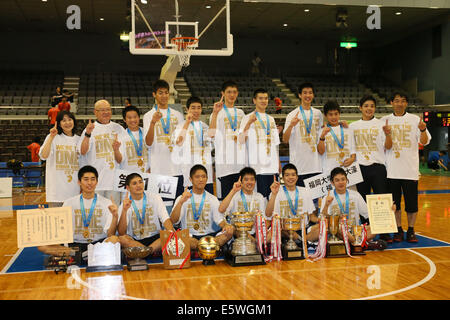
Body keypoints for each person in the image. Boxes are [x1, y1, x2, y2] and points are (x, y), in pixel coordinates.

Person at [380, 92, 431, 243]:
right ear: (391, 103)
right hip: (392, 171)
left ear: (406, 104)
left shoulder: (415, 120)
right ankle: (398, 230)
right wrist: (388, 134)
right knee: (395, 204)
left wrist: (422, 129)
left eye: (403, 101)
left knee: (411, 204)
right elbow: (386, 146)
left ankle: (411, 230)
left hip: (410, 171)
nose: (399, 103)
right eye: (396, 101)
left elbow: (425, 141)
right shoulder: (385, 120)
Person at [37, 165, 120, 256]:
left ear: (97, 182)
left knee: (115, 239)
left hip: (98, 244)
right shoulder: (69, 203)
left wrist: (115, 216)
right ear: (79, 182)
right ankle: (83, 255)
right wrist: (46, 218)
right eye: (86, 179)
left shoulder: (107, 203)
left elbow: (110, 234)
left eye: (93, 179)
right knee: (42, 245)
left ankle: (81, 255)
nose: (89, 183)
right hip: (75, 245)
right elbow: (59, 231)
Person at [349, 95, 393, 242]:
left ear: (375, 108)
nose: (369, 108)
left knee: (382, 200)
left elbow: (388, 146)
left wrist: (388, 135)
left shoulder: (381, 124)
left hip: (378, 167)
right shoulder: (353, 126)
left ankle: (385, 231)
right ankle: (366, 230)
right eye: (366, 105)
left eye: (372, 106)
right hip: (360, 168)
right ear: (360, 108)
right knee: (363, 200)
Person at [320, 167, 387, 250]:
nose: (341, 182)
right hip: (339, 232)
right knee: (338, 228)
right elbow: (322, 218)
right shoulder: (327, 197)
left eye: (343, 179)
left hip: (355, 230)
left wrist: (387, 211)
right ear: (332, 183)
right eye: (337, 180)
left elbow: (368, 213)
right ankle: (360, 243)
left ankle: (353, 243)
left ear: (347, 180)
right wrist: (326, 205)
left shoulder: (355, 195)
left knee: (375, 227)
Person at [170, 165, 234, 251]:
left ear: (207, 179)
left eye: (203, 177)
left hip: (210, 237)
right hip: (190, 237)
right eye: (197, 177)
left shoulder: (212, 198)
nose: (201, 180)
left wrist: (226, 226)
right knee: (181, 237)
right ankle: (209, 247)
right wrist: (181, 202)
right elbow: (173, 221)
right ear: (190, 179)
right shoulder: (182, 197)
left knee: (230, 232)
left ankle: (204, 247)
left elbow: (219, 220)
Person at [143, 79, 185, 202]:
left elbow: (182, 142)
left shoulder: (178, 115)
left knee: (178, 205)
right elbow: (148, 143)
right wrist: (152, 123)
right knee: (164, 207)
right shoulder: (148, 116)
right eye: (160, 93)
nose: (164, 96)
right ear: (154, 95)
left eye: (166, 92)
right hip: (160, 169)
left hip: (177, 168)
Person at [78, 99, 126, 205]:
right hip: (95, 183)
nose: (106, 112)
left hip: (113, 182)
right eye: (102, 110)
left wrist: (116, 150)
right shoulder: (90, 129)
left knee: (114, 214)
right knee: (96, 214)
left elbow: (121, 159)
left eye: (108, 109)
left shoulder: (119, 128)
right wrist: (88, 134)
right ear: (95, 112)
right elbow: (82, 151)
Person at [117, 173, 175, 255]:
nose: (138, 185)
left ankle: (146, 252)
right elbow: (121, 232)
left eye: (140, 182)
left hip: (155, 239)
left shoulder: (155, 197)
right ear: (128, 188)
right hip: (135, 241)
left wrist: (171, 231)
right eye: (134, 183)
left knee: (170, 233)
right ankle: (149, 252)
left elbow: (165, 218)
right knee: (122, 239)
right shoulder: (125, 204)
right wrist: (124, 210)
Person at [239, 88, 280, 198]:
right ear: (254, 100)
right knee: (260, 199)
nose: (263, 101)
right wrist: (249, 123)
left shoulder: (271, 119)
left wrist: (279, 163)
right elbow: (241, 140)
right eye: (260, 98)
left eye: (266, 98)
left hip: (272, 167)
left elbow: (275, 144)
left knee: (273, 199)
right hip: (257, 168)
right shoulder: (247, 118)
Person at [208, 80, 246, 199]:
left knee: (240, 200)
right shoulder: (217, 113)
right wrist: (214, 113)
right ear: (223, 94)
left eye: (234, 92)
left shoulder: (241, 113)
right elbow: (211, 134)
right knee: (225, 200)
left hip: (240, 164)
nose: (232, 95)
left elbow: (244, 137)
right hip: (224, 166)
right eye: (229, 92)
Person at [265, 163, 319, 243]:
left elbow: (311, 216)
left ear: (297, 177)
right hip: (284, 230)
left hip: (303, 229)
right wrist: (273, 194)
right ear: (282, 178)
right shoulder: (276, 192)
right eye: (287, 175)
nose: (290, 177)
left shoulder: (305, 191)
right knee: (270, 235)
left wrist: (322, 220)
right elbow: (268, 214)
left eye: (293, 175)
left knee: (322, 229)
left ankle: (301, 240)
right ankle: (303, 241)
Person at [283, 83, 323, 188]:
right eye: (305, 93)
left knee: (315, 202)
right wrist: (291, 125)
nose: (307, 95)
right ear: (300, 95)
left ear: (313, 95)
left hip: (316, 166)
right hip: (299, 167)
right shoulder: (292, 114)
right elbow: (285, 140)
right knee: (301, 201)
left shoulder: (318, 114)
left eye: (310, 93)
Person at [39, 111, 81, 207]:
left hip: (74, 191)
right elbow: (44, 156)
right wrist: (51, 137)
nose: (67, 123)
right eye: (64, 120)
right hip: (56, 192)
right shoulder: (53, 138)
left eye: (70, 119)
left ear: (74, 121)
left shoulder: (79, 140)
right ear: (58, 123)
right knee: (56, 221)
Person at [173, 96, 214, 194]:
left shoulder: (205, 126)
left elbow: (211, 142)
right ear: (187, 109)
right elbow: (179, 143)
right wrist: (187, 122)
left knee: (206, 203)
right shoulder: (180, 126)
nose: (196, 110)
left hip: (205, 173)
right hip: (189, 173)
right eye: (193, 108)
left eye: (199, 107)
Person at [218, 167, 269, 238]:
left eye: (252, 179)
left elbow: (264, 219)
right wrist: (233, 190)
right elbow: (221, 210)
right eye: (246, 179)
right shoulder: (235, 195)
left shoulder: (259, 197)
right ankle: (255, 243)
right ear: (241, 182)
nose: (249, 182)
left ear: (255, 181)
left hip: (256, 232)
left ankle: (257, 243)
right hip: (238, 232)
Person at [318, 100, 356, 178]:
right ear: (325, 115)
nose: (334, 117)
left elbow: (353, 148)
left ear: (339, 114)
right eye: (330, 114)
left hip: (347, 170)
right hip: (329, 171)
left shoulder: (347, 128)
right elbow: (321, 152)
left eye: (336, 114)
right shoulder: (322, 131)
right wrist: (322, 136)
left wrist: (352, 159)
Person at [113, 106, 150, 174]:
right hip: (129, 175)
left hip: (147, 175)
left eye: (135, 117)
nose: (133, 120)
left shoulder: (147, 133)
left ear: (139, 117)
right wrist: (116, 150)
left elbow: (153, 154)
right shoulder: (121, 135)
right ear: (124, 120)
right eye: (129, 118)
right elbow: (119, 160)